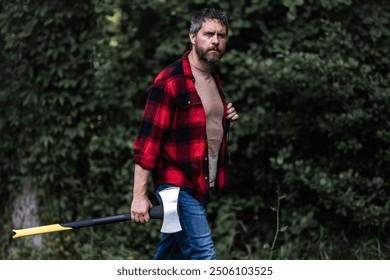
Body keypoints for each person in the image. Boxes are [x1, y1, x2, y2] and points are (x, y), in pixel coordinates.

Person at [130, 8, 239, 260]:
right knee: (203, 254)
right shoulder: (170, 82)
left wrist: (224, 121)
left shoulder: (212, 79)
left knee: (171, 257)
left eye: (221, 35)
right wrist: (139, 196)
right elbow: (147, 143)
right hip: (177, 186)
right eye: (208, 34)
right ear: (192, 37)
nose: (215, 41)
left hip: (200, 183)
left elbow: (196, 130)